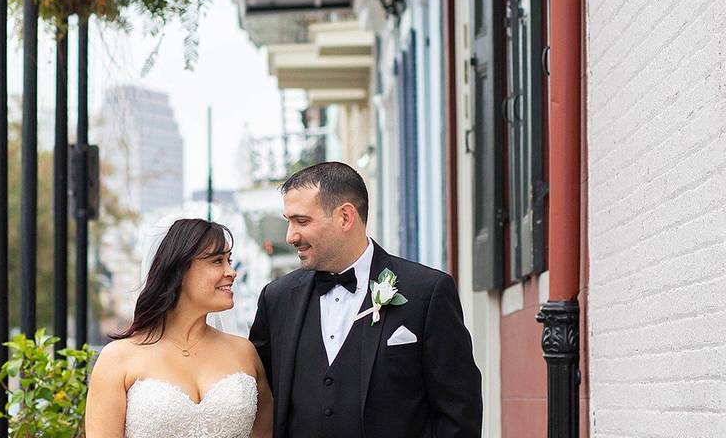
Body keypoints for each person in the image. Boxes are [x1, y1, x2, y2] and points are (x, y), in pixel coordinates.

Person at [249, 162, 482, 437]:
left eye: (302, 221)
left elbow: (459, 412)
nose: (290, 236)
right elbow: (260, 399)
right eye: (288, 221)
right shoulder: (276, 299)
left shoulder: (426, 292)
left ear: (346, 217)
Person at [85, 218, 274, 438]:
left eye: (229, 261)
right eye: (217, 261)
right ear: (180, 270)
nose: (231, 272)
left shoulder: (245, 353)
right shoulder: (118, 358)